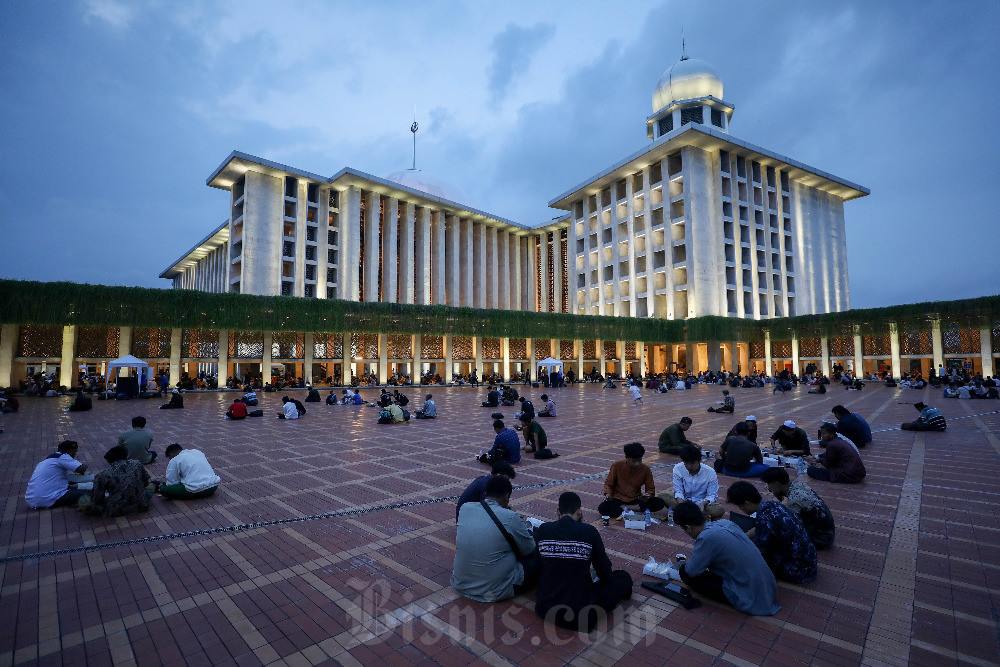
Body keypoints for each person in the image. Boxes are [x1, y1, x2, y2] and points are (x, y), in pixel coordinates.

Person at [535, 492, 633, 632]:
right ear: (579, 511)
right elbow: (605, 572)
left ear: (558, 511)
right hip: (579, 614)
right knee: (622, 577)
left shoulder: (544, 530)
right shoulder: (589, 531)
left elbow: (538, 568)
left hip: (545, 608)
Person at [672, 501, 780, 615]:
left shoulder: (706, 537)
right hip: (768, 586)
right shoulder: (725, 523)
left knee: (685, 574)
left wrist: (683, 566)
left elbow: (692, 571)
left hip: (749, 595)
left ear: (688, 527)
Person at [451, 476, 537, 602]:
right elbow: (528, 550)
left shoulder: (466, 508)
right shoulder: (510, 517)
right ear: (507, 497)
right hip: (493, 591)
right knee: (539, 557)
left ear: (485, 493)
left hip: (461, 584)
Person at [726, 481, 817, 583]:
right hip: (809, 561)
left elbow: (759, 552)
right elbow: (759, 527)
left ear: (747, 503)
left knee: (745, 564)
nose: (740, 509)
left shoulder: (765, 519)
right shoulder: (772, 505)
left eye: (740, 506)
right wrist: (744, 536)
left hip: (798, 571)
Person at [760, 467, 835, 549]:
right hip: (827, 532)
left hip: (822, 539)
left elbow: (794, 529)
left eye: (769, 484)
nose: (768, 489)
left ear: (777, 483)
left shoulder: (793, 501)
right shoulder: (799, 485)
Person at [598, 442, 665, 518]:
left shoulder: (646, 469)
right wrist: (608, 494)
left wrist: (648, 495)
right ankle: (632, 510)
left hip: (635, 499)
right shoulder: (616, 465)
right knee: (602, 508)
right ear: (626, 458)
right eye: (634, 461)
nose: (637, 464)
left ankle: (626, 509)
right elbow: (609, 484)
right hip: (618, 498)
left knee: (659, 503)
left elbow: (650, 488)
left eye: (639, 460)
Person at [83, 445, 151, 517]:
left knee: (84, 500)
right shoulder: (137, 464)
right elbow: (146, 483)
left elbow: (97, 499)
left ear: (109, 461)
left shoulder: (103, 474)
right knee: (151, 487)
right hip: (141, 505)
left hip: (116, 510)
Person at [658, 445, 723, 519]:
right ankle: (695, 514)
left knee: (719, 510)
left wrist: (703, 504)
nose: (689, 466)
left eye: (692, 463)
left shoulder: (710, 472)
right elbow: (678, 490)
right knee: (662, 496)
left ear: (699, 460)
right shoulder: (678, 468)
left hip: (701, 504)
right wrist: (681, 503)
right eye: (686, 463)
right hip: (684, 501)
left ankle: (687, 513)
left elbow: (712, 495)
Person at [25, 440, 92, 509]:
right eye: (75, 452)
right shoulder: (63, 457)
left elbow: (58, 479)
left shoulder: (49, 459)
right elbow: (82, 468)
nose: (74, 455)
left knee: (78, 487)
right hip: (47, 498)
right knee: (88, 492)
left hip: (32, 499)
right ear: (70, 451)